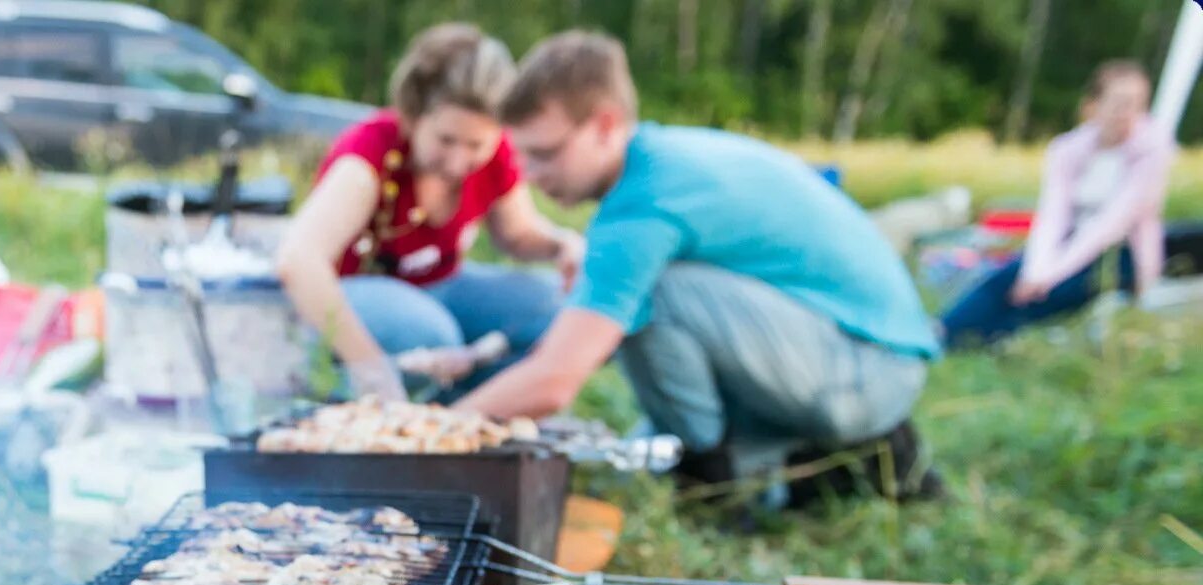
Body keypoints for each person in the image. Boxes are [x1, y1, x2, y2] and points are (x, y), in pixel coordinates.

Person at [455, 33, 942, 506]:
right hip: (853, 355)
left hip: (867, 371)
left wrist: (433, 428)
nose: (530, 176)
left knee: (655, 295)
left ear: (605, 125)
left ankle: (710, 476)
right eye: (522, 157)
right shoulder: (666, 160)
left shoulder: (643, 205)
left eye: (544, 154)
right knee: (634, 453)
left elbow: (556, 378)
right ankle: (825, 466)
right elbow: (575, 342)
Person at [275, 23, 584, 402]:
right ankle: (390, 406)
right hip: (350, 302)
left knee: (571, 310)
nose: (458, 162)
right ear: (415, 114)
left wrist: (562, 245)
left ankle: (468, 413)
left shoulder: (497, 153)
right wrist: (371, 370)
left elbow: (517, 234)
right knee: (431, 333)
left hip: (442, 287)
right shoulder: (371, 156)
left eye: (475, 145)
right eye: (446, 140)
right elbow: (297, 260)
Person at [942, 61, 1175, 348]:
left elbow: (1112, 224)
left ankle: (977, 342)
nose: (1128, 114)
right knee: (1004, 278)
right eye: (1120, 103)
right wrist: (1035, 270)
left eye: (1137, 104)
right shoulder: (1068, 149)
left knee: (1048, 294)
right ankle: (941, 331)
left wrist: (1048, 276)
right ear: (1094, 105)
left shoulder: (1152, 147)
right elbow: (1053, 215)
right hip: (1069, 242)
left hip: (1119, 255)